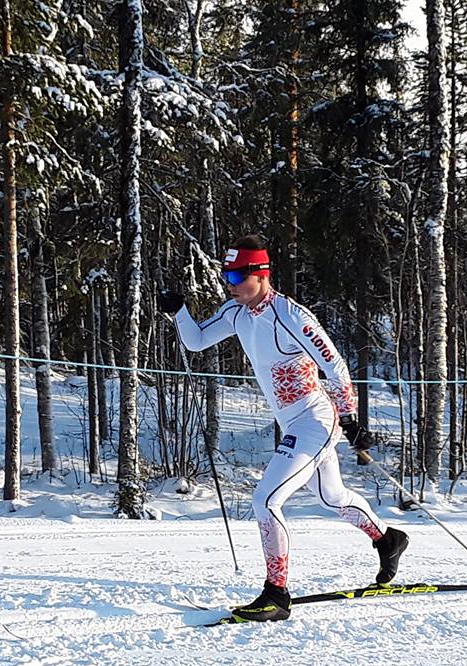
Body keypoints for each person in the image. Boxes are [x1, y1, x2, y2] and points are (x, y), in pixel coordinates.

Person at [158, 235, 408, 622]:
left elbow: (336, 366)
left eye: (238, 274)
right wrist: (179, 311)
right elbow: (197, 342)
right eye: (227, 274)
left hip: (315, 419)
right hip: (292, 420)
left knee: (265, 500)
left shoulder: (291, 317)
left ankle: (276, 594)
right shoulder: (236, 313)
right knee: (332, 498)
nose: (231, 283)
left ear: (260, 274)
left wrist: (350, 417)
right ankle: (388, 539)